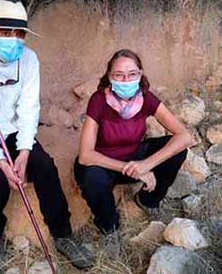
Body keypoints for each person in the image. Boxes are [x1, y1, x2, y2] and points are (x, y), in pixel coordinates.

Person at [0, 0, 94, 272]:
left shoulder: (29, 59)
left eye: (19, 34)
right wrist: (2, 162)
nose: (13, 39)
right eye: (5, 32)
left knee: (45, 166)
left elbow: (28, 108)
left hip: (11, 130)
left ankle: (62, 233)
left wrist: (24, 152)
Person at [74, 49, 198, 257]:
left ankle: (148, 200)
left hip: (133, 158)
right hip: (104, 165)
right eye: (119, 75)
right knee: (93, 178)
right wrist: (134, 169)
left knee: (177, 151)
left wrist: (147, 164)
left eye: (132, 74)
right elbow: (86, 154)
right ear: (109, 77)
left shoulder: (146, 99)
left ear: (140, 74)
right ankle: (109, 227)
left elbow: (185, 136)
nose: (126, 80)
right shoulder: (98, 100)